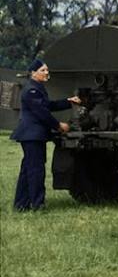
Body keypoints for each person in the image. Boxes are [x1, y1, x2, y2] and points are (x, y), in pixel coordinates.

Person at [10, 59, 80, 211]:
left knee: (28, 169)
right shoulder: (32, 90)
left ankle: (21, 205)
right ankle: (38, 204)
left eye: (47, 70)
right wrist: (58, 125)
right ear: (33, 73)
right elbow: (42, 112)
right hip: (32, 136)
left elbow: (48, 105)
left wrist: (68, 101)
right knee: (36, 170)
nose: (46, 72)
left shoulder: (37, 88)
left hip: (33, 136)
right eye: (43, 70)